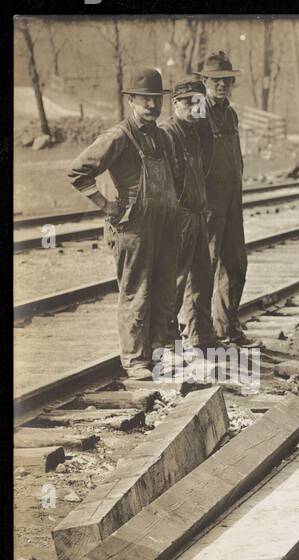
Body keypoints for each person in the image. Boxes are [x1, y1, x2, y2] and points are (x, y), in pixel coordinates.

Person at [67, 67, 180, 377]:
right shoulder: (119, 136)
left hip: (163, 228)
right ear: (131, 100)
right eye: (145, 100)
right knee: (136, 293)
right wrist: (105, 205)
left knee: (164, 292)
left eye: (157, 100)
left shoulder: (162, 136)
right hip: (133, 229)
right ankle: (135, 360)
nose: (152, 106)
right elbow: (78, 171)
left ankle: (158, 355)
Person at [193, 50, 256, 347]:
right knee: (204, 266)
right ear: (205, 80)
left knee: (236, 264)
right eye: (216, 80)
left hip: (232, 199)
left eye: (227, 80)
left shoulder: (230, 113)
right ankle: (197, 331)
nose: (222, 85)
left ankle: (227, 327)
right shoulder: (197, 112)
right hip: (208, 201)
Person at [158, 78, 217, 354]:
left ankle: (201, 335)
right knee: (175, 281)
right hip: (179, 216)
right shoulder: (168, 133)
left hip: (197, 213)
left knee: (202, 278)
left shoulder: (195, 132)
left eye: (198, 102)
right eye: (187, 102)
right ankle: (167, 341)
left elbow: (201, 173)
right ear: (175, 104)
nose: (194, 108)